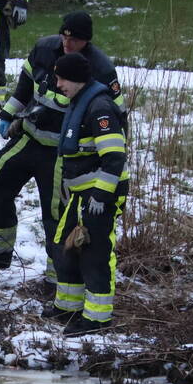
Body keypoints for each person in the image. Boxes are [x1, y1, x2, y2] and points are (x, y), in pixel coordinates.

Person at [0, 11, 121, 297]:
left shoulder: (100, 68)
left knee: (56, 218)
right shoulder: (43, 48)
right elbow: (26, 83)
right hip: (30, 138)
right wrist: (7, 114)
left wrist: (101, 158)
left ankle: (56, 278)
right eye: (64, 36)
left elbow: (116, 114)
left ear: (86, 41)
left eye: (74, 39)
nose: (67, 42)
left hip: (63, 155)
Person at [48, 53, 128, 337]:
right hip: (80, 195)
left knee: (95, 254)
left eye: (61, 79)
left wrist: (101, 196)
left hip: (99, 196)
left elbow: (115, 157)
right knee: (64, 247)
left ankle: (96, 318)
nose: (58, 85)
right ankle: (68, 307)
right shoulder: (79, 102)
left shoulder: (100, 107)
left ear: (77, 79)